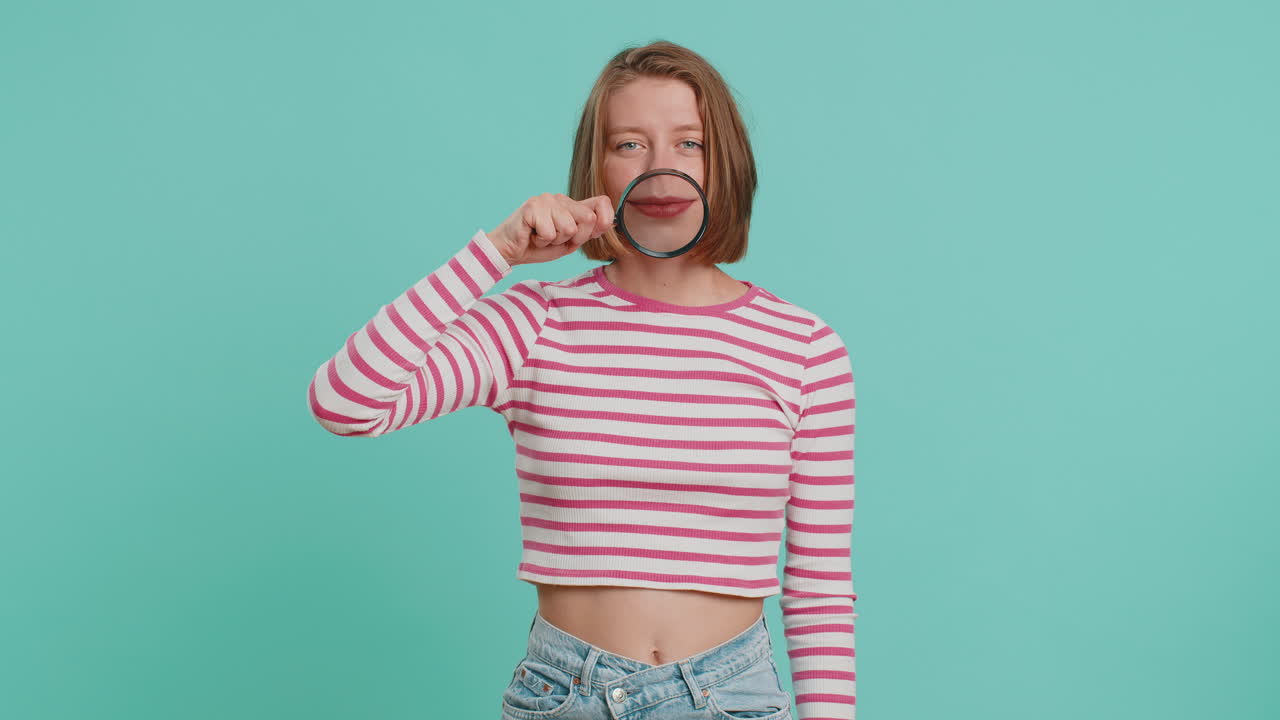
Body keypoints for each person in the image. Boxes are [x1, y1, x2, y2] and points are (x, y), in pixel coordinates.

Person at [307, 40, 857, 720]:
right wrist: (495, 254)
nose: (659, 169)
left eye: (689, 143)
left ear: (727, 164)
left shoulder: (804, 348)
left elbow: (820, 588)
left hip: (734, 698)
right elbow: (345, 402)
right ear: (596, 168)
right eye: (630, 144)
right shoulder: (534, 323)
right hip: (566, 695)